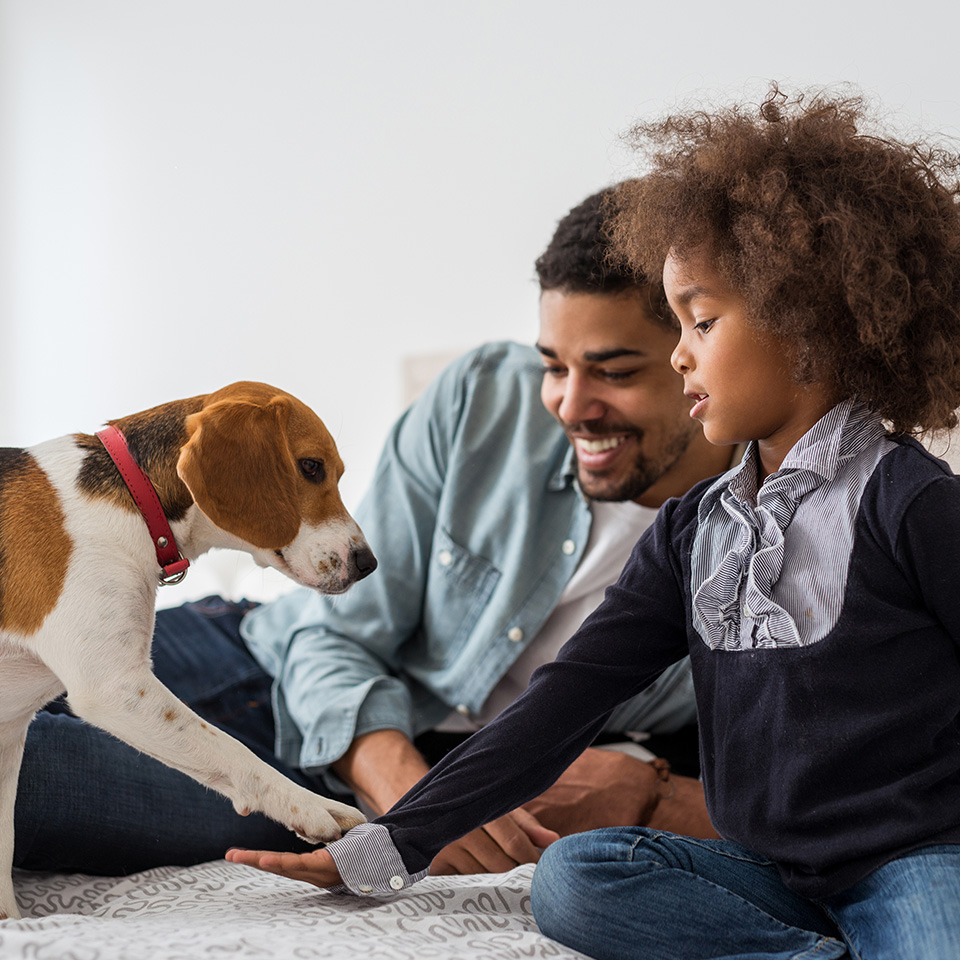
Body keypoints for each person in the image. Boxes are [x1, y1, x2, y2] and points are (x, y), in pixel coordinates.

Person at [226, 87, 960, 959]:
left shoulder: (913, 502)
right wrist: (389, 847)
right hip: (765, 872)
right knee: (576, 878)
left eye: (702, 320)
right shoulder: (695, 530)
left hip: (914, 862)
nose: (681, 351)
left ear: (811, 329)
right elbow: (561, 707)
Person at [14, 186, 734, 878]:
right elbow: (339, 627)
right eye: (553, 364)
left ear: (695, 349)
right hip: (268, 660)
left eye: (614, 371)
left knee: (39, 781)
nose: (570, 406)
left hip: (323, 776)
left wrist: (653, 792)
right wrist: (400, 785)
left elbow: (821, 792)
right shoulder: (485, 398)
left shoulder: (770, 534)